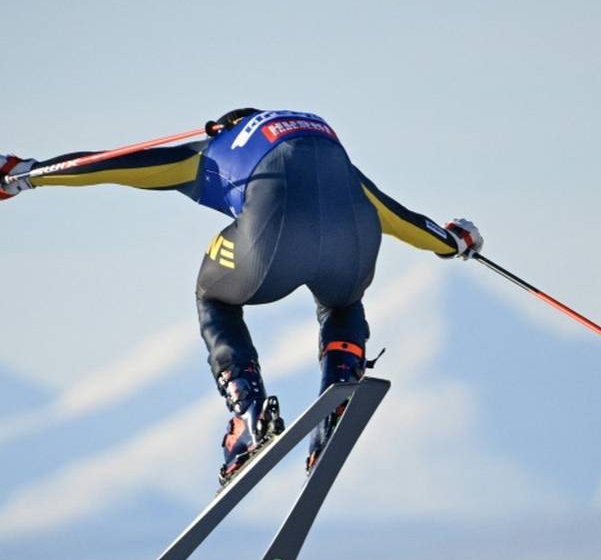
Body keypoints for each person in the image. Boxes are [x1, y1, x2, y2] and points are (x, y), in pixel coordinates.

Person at [0, 108, 483, 485]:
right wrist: (453, 242)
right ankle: (339, 385)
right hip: (353, 241)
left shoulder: (211, 151)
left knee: (213, 295)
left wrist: (27, 173)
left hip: (271, 242)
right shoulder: (327, 151)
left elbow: (113, 165)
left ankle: (247, 415)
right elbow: (400, 218)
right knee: (342, 303)